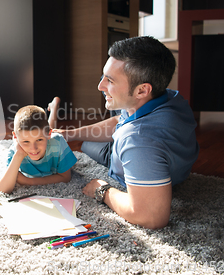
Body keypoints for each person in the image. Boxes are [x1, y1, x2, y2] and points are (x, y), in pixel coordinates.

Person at [54, 36, 199, 229]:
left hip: (137, 154)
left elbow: (152, 217)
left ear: (142, 90)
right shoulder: (170, 96)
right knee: (86, 138)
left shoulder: (138, 140)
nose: (100, 86)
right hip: (162, 158)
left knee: (87, 145)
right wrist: (68, 134)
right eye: (103, 76)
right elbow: (120, 120)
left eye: (110, 81)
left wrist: (103, 190)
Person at [0, 98, 77, 194]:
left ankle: (54, 109)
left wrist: (29, 181)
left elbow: (65, 177)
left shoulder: (58, 142)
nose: (33, 148)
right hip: (45, 135)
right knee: (43, 134)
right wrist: (19, 156)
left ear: (49, 134)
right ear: (15, 137)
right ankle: (52, 110)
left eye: (39, 140)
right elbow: (3, 189)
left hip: (50, 138)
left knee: (49, 136)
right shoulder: (16, 151)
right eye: (26, 141)